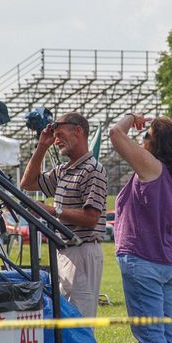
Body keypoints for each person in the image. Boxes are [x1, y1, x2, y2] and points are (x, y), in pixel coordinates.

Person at [109, 113, 172, 343]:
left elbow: (116, 134)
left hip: (143, 261)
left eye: (147, 136)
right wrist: (166, 241)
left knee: (150, 335)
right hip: (170, 263)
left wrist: (131, 118)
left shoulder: (152, 166)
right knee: (168, 333)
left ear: (159, 145)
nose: (141, 139)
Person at [20, 112, 107, 318]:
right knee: (68, 317)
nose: (56, 140)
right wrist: (42, 146)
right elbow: (28, 183)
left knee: (79, 320)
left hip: (81, 250)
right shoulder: (64, 170)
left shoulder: (92, 169)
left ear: (78, 131)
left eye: (60, 135)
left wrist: (52, 211)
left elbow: (91, 218)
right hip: (67, 250)